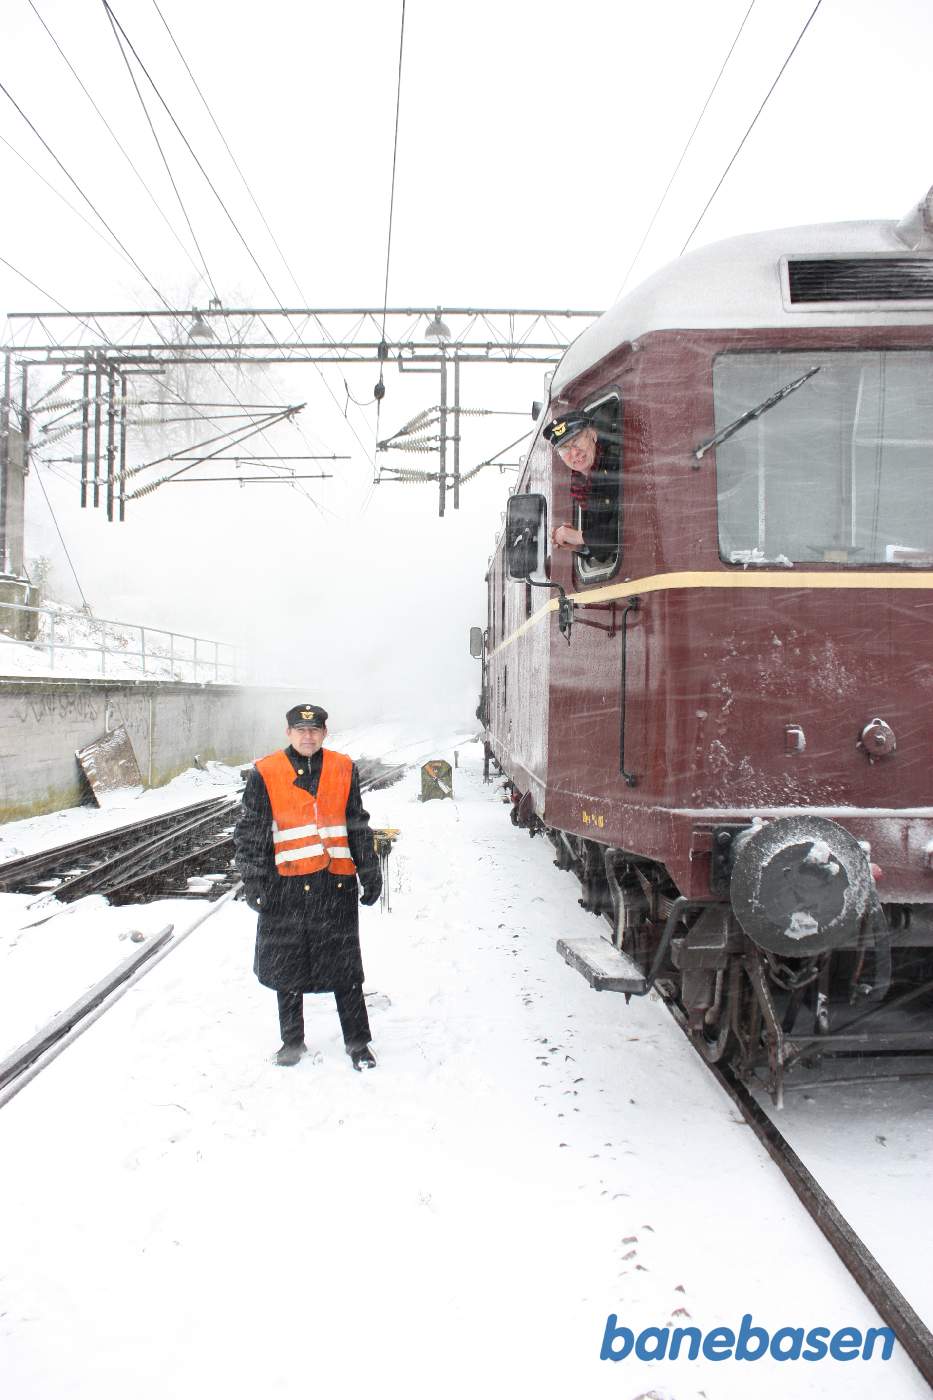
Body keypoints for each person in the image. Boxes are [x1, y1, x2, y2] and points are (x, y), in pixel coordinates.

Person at [234, 702, 383, 1070]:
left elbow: (356, 825)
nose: (307, 736)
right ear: (288, 733)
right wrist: (254, 880)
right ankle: (291, 1042)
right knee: (288, 969)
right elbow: (251, 832)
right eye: (300, 731)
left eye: (314, 730)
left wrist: (369, 870)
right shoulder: (265, 773)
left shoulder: (343, 768)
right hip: (285, 888)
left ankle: (358, 1044)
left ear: (324, 733)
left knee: (346, 970)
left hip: (335, 886)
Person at [543, 410, 620, 560]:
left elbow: (627, 529)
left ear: (593, 435)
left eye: (577, 441)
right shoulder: (582, 488)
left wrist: (580, 537)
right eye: (564, 449)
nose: (574, 453)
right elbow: (605, 553)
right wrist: (578, 544)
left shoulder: (615, 464)